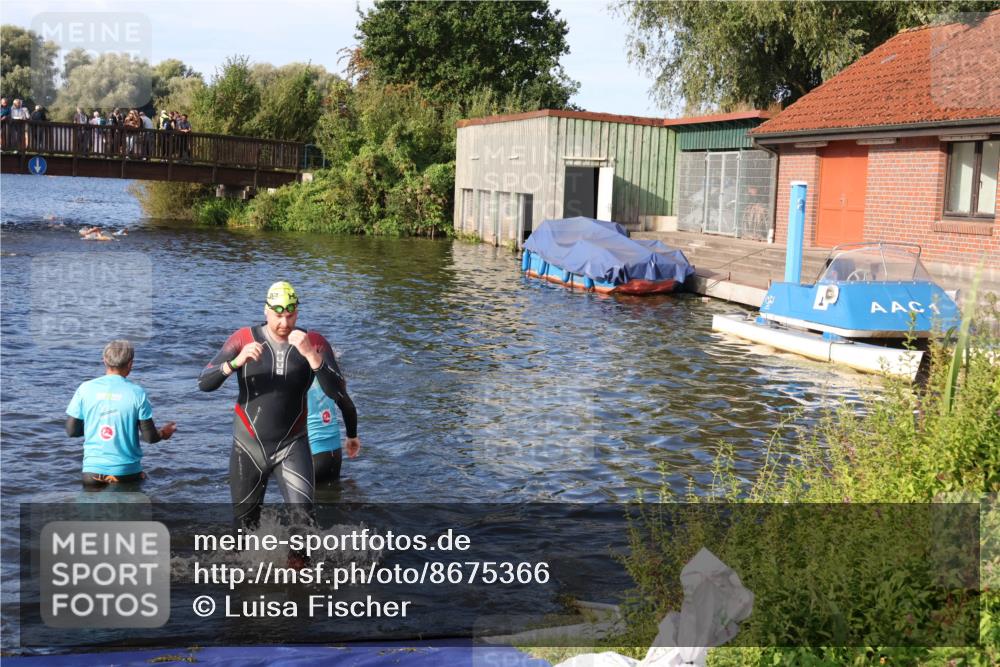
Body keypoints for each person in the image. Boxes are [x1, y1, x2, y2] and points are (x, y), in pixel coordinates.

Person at [198, 281, 359, 532]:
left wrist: (311, 356)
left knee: (304, 525)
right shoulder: (243, 338)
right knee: (243, 529)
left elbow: (338, 392)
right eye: (278, 316)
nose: (284, 323)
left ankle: (299, 571)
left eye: (290, 315)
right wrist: (235, 363)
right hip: (247, 446)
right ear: (266, 311)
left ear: (297, 312)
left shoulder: (313, 341)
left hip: (292, 445)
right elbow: (204, 383)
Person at [66, 340, 177, 487]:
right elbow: (149, 437)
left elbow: (72, 431)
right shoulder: (137, 393)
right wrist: (164, 433)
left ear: (104, 360)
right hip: (126, 473)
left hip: (92, 473)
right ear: (130, 364)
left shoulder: (85, 389)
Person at [307, 376, 362, 483]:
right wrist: (352, 436)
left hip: (310, 453)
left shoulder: (291, 370)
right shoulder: (327, 370)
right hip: (335, 454)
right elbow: (349, 408)